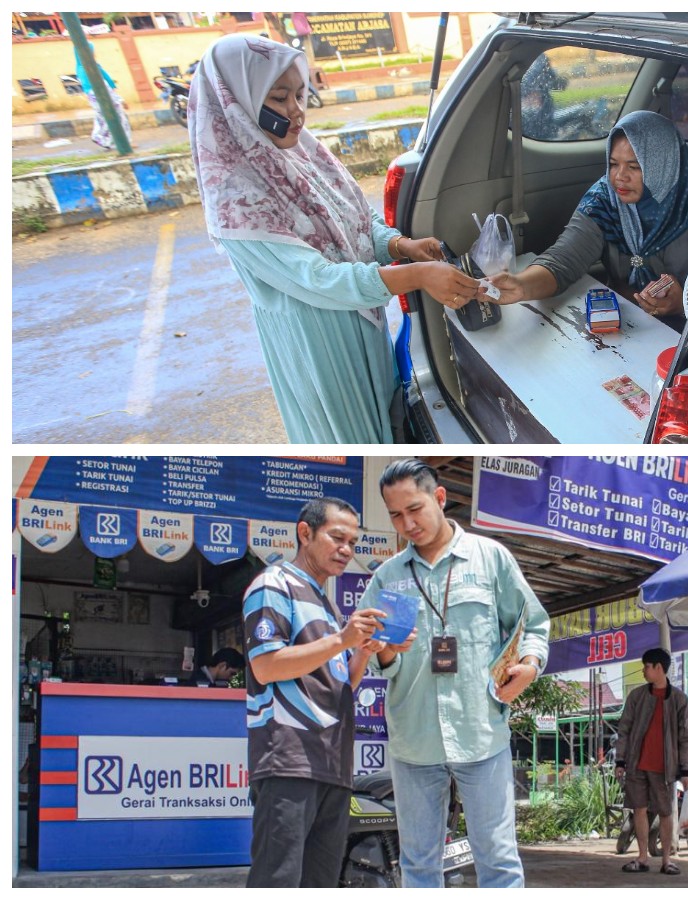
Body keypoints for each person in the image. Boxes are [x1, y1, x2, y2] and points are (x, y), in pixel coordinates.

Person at [188, 35, 486, 443]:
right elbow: (318, 278)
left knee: (389, 424)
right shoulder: (236, 200)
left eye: (300, 94)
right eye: (279, 98)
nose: (296, 112)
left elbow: (356, 222)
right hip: (320, 347)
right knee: (356, 440)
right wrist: (417, 275)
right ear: (236, 102)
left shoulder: (301, 155)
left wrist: (401, 247)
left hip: (361, 324)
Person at [359, 459, 550, 888]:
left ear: (439, 498)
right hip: (415, 740)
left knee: (498, 860)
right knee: (419, 864)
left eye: (415, 508)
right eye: (395, 515)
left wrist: (531, 666)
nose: (407, 523)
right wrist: (385, 652)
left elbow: (533, 624)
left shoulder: (490, 559)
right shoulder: (388, 579)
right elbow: (383, 664)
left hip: (480, 731)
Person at [242, 496, 399, 888]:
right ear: (305, 533)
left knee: (321, 883)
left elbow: (340, 685)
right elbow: (266, 664)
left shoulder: (325, 604)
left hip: (333, 764)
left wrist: (360, 651)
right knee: (277, 881)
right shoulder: (274, 584)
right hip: (289, 758)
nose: (346, 550)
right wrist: (343, 639)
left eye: (353, 543)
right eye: (337, 538)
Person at [490, 110, 688, 329]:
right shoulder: (604, 200)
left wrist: (682, 303)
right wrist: (521, 286)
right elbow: (563, 260)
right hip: (622, 320)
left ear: (662, 166)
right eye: (613, 164)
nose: (619, 177)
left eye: (634, 167)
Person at [614, 647, 688, 877]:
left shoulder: (680, 700)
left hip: (665, 768)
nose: (643, 671)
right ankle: (642, 857)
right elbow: (625, 729)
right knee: (639, 810)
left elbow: (686, 736)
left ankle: (667, 860)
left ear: (659, 668)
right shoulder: (637, 697)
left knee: (667, 812)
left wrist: (686, 768)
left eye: (647, 666)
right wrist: (621, 760)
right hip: (637, 764)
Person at [74, 41, 132, 151]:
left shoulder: (85, 67)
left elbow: (105, 78)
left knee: (102, 119)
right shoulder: (88, 69)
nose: (94, 54)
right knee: (118, 118)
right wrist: (119, 99)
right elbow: (101, 86)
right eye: (92, 52)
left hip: (95, 97)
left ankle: (103, 139)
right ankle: (124, 143)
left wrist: (112, 87)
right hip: (100, 96)